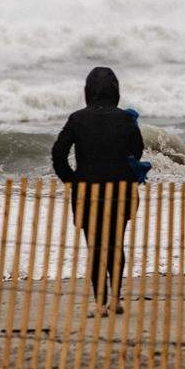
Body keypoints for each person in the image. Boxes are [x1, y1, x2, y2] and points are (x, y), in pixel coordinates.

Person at [51, 67, 144, 316]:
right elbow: (138, 150)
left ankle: (100, 303)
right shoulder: (126, 119)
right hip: (121, 190)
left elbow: (58, 152)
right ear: (116, 91)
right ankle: (115, 299)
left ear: (87, 91)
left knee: (94, 247)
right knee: (116, 244)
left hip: (87, 191)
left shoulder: (77, 119)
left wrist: (70, 179)